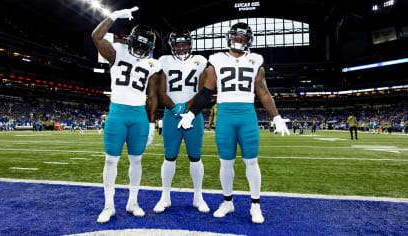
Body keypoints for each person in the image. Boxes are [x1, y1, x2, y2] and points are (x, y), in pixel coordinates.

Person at [177, 22, 290, 224]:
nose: (239, 40)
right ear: (229, 38)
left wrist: (276, 117)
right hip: (225, 115)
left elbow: (263, 92)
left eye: (243, 38)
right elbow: (206, 92)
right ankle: (227, 202)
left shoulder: (256, 60)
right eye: (236, 37)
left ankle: (255, 205)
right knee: (226, 162)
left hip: (247, 114)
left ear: (249, 41)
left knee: (251, 162)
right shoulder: (217, 60)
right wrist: (191, 114)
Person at [92, 7, 161, 223]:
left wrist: (151, 124)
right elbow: (96, 36)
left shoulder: (153, 64)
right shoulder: (117, 52)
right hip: (118, 112)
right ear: (131, 40)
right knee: (111, 160)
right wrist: (113, 16)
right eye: (138, 44)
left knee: (136, 160)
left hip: (139, 116)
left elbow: (152, 96)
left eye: (144, 46)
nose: (140, 50)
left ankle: (133, 202)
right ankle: (108, 205)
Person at [153, 29, 209, 214]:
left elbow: (202, 91)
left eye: (185, 43)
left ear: (190, 43)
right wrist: (173, 107)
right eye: (178, 44)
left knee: (195, 156)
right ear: (172, 45)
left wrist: (188, 108)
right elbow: (161, 92)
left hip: (194, 115)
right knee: (170, 156)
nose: (182, 47)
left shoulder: (200, 60)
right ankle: (165, 196)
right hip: (172, 115)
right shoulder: (164, 61)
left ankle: (198, 197)